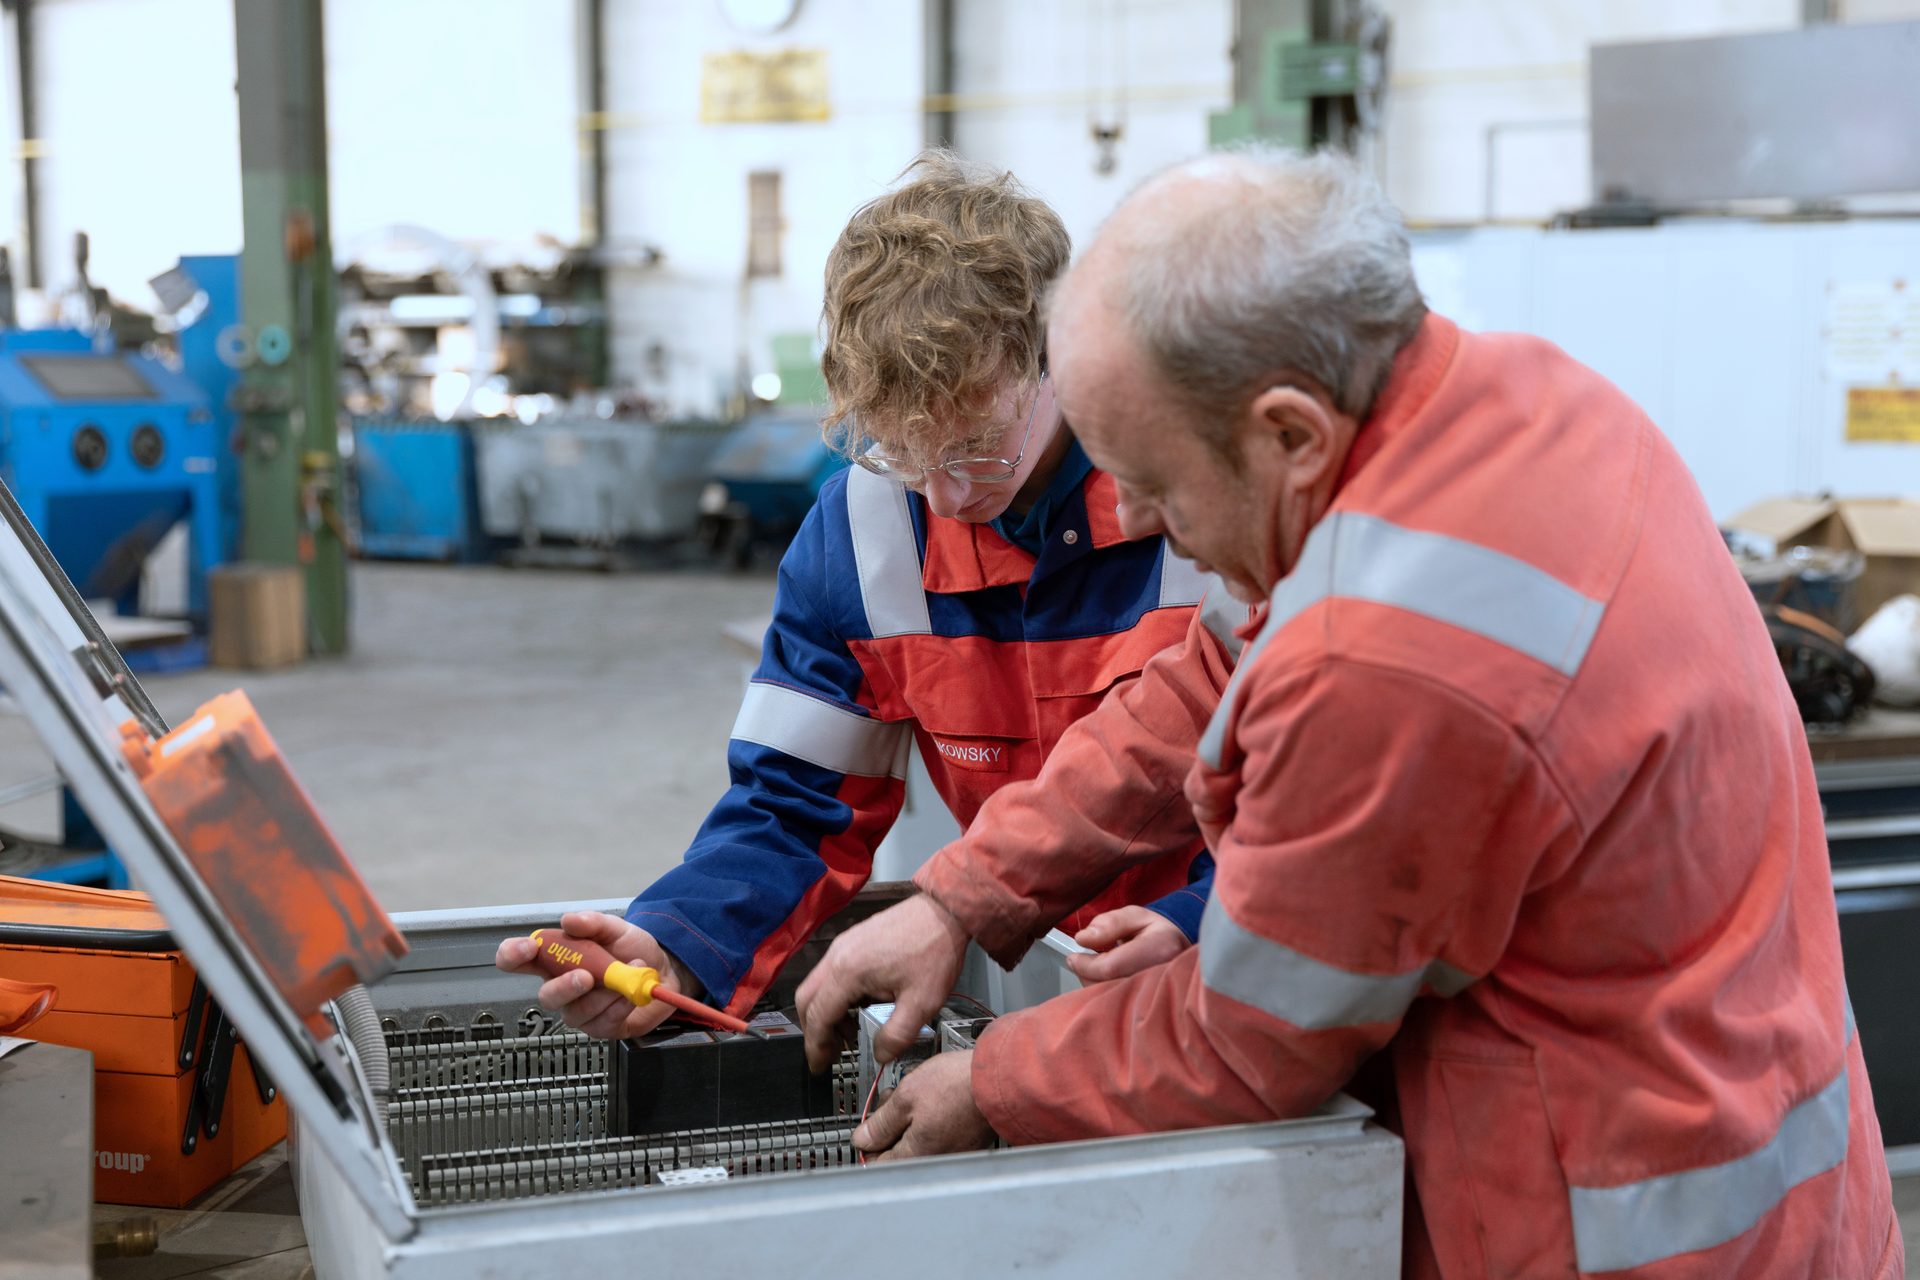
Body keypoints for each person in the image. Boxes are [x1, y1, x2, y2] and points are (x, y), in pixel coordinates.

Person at [795, 148, 1902, 1278]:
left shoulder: (1391, 665)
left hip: (1626, 1228)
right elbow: (1209, 676)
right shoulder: (1511, 404)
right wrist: (962, 894)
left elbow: (1245, 1035)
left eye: (1158, 480)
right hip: (1762, 1137)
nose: (1129, 511)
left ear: (1288, 434)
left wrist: (993, 1079)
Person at [496, 149, 1227, 1041]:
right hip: (1049, 984)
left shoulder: (1202, 498)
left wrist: (1207, 923)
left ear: (1060, 355)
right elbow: (790, 808)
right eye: (906, 454)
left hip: (1250, 972)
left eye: (976, 452)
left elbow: (1327, 787)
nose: (950, 499)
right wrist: (676, 943)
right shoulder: (864, 534)